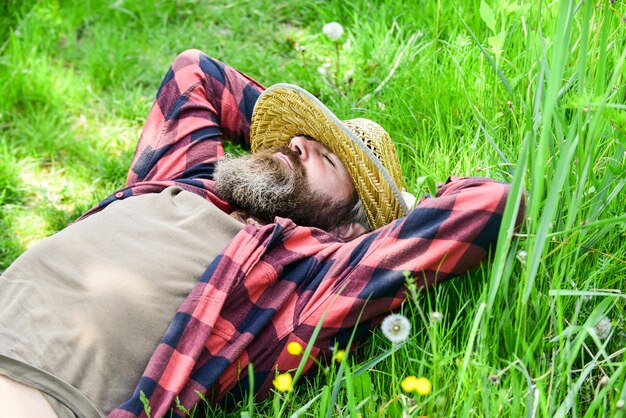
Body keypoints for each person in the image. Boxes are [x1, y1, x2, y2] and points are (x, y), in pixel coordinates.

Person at [0, 49, 521, 418]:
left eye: (329, 158)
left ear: (342, 226)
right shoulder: (196, 179)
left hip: (36, 383)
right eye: (300, 135)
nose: (297, 143)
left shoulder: (301, 272)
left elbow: (491, 205)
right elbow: (194, 73)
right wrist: (294, 152)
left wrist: (396, 209)